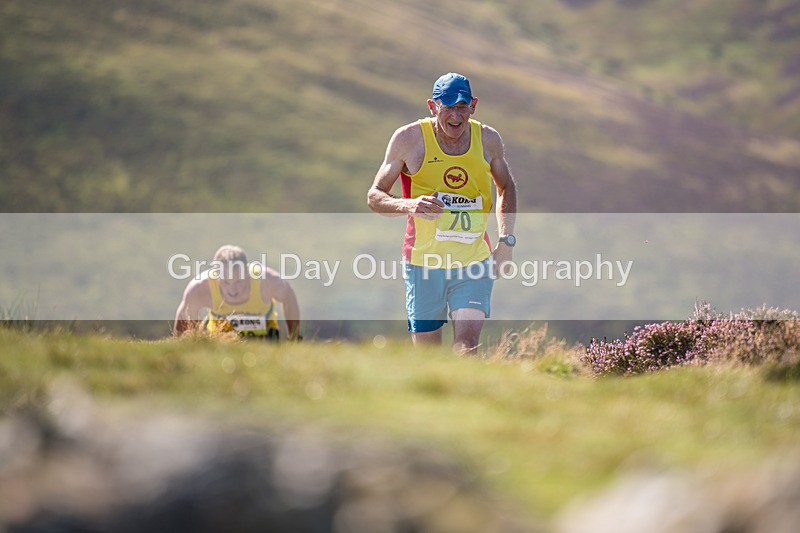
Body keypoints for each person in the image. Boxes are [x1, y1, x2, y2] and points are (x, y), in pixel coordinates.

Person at [367, 72, 517, 353]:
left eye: (462, 107)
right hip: (423, 262)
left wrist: (506, 242)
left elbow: (506, 187)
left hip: (473, 260)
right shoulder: (409, 139)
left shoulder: (488, 139)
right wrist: (409, 205)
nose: (456, 117)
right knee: (429, 356)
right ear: (432, 106)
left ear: (473, 106)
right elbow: (375, 197)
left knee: (466, 346)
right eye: (448, 107)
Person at [174, 244, 301, 340]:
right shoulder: (199, 289)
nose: (232, 290)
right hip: (220, 342)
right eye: (225, 282)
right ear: (216, 275)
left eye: (239, 281)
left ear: (247, 272)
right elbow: (183, 322)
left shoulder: (268, 281)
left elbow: (289, 297)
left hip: (265, 337)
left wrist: (294, 338)